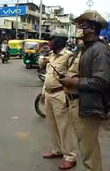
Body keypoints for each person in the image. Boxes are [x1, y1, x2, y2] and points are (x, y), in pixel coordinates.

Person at [59, 10, 110, 171]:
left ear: (91, 29)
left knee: (88, 150)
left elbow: (102, 82)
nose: (77, 28)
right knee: (84, 147)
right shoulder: (83, 48)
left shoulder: (99, 50)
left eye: (81, 25)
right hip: (77, 104)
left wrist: (73, 82)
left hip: (87, 106)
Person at [39, 28, 77, 170]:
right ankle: (57, 150)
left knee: (63, 127)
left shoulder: (68, 56)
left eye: (52, 39)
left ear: (60, 41)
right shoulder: (51, 56)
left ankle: (70, 157)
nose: (49, 42)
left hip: (60, 94)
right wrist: (43, 92)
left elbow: (72, 77)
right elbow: (48, 75)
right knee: (51, 124)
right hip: (48, 93)